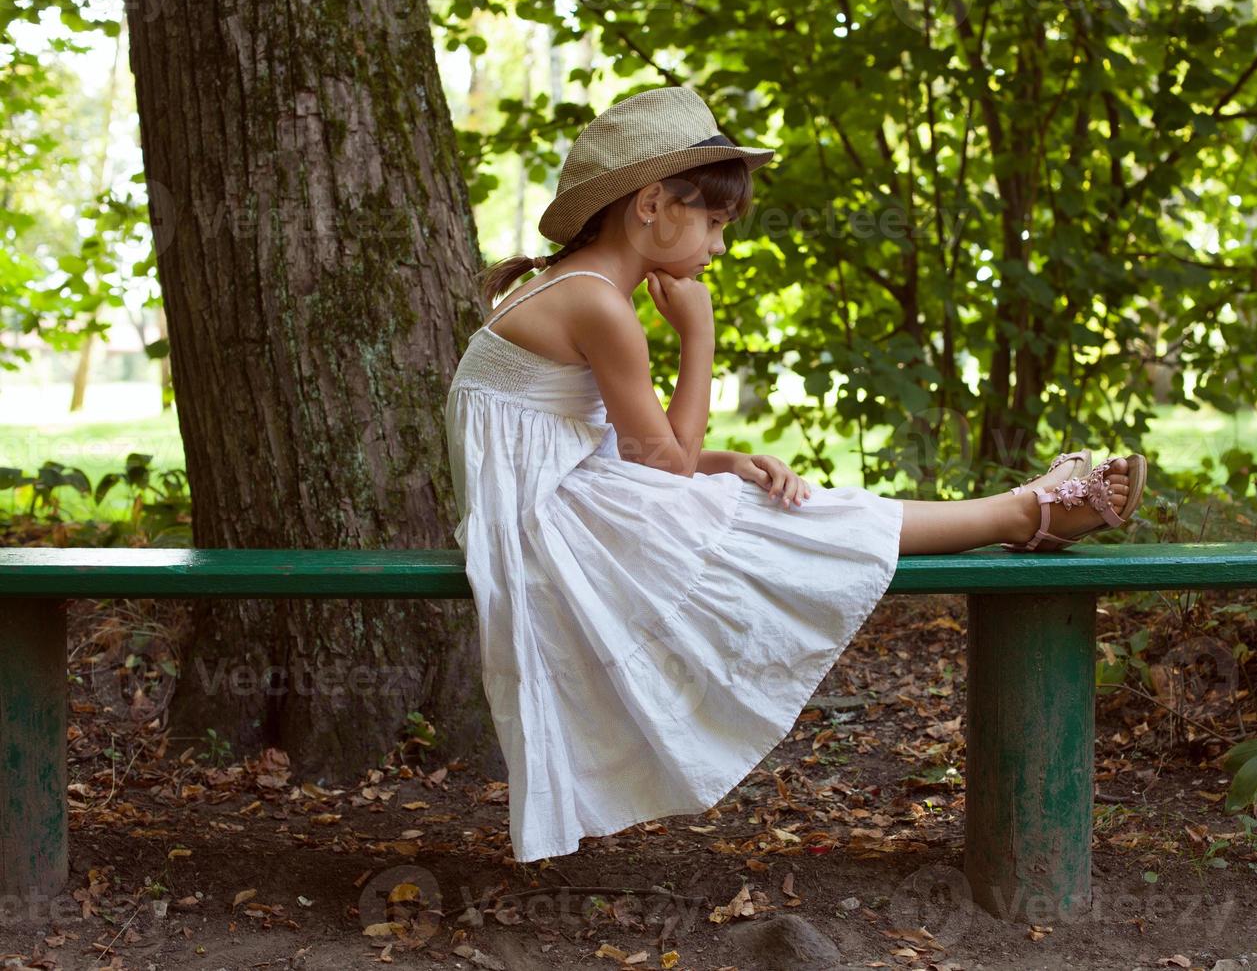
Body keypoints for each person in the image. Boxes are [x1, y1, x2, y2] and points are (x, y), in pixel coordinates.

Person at [444, 85, 1147, 864]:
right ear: (650, 204)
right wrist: (699, 338)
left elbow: (611, 450)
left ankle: (1026, 509)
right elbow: (660, 468)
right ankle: (1026, 512)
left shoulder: (579, 291)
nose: (717, 247)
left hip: (559, 506)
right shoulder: (600, 307)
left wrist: (722, 462)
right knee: (797, 525)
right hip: (548, 531)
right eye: (712, 222)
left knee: (779, 507)